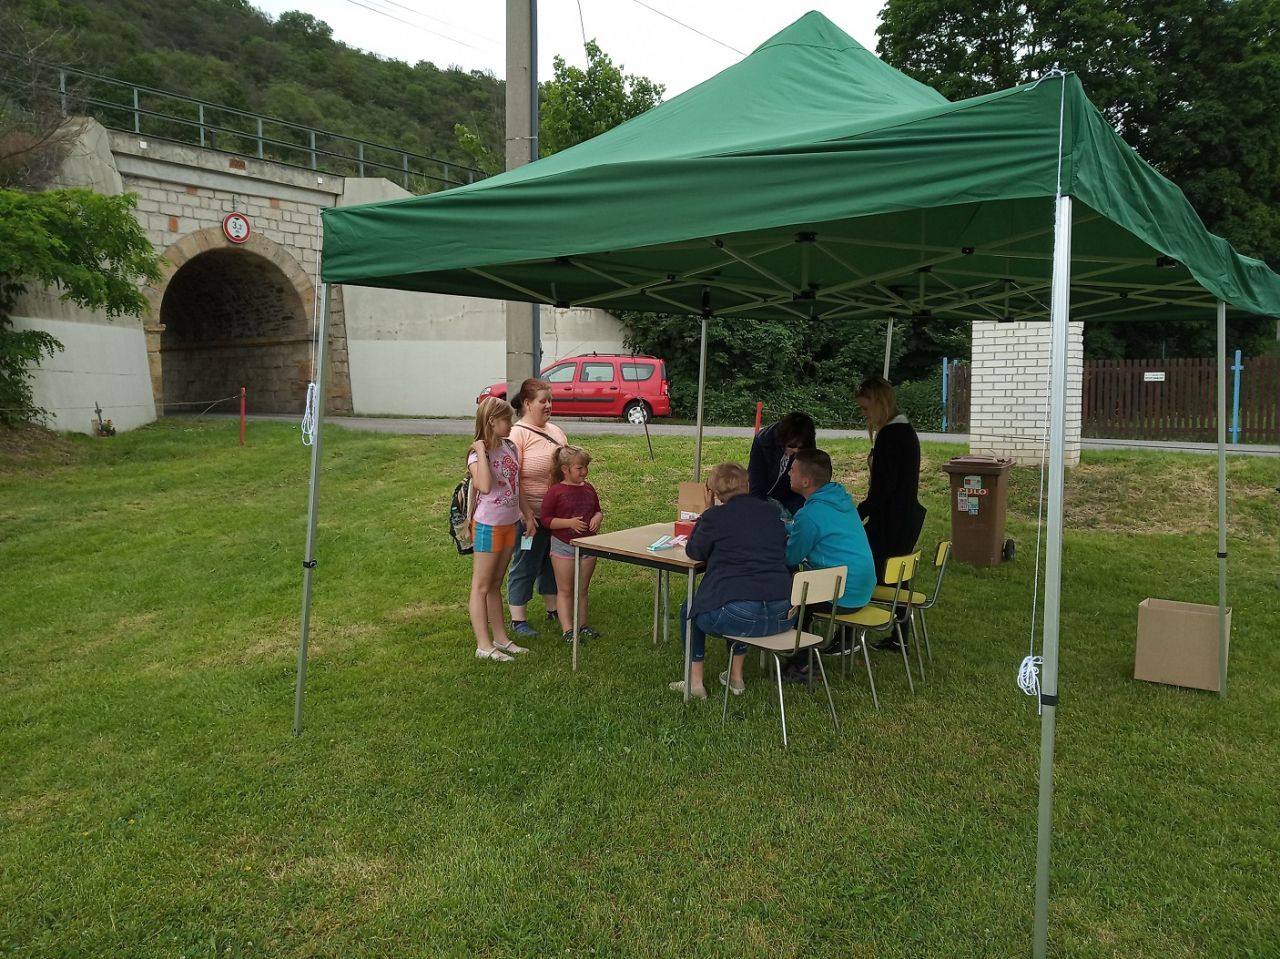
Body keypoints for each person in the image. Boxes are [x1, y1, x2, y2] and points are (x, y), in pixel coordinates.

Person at [671, 463, 794, 699]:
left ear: (714, 492)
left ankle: (695, 682)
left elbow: (695, 552)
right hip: (783, 614)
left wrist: (707, 513)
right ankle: (736, 677)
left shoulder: (715, 517)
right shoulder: (771, 513)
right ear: (747, 485)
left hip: (739, 615)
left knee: (692, 608)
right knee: (743, 599)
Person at [781, 448, 877, 679]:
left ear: (805, 481)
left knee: (789, 594)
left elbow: (790, 557)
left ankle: (802, 663)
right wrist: (788, 527)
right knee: (801, 590)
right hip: (863, 589)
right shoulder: (840, 500)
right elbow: (818, 528)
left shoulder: (810, 515)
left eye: (792, 470)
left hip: (842, 595)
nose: (788, 474)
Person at [855, 376, 926, 649]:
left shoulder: (892, 435)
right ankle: (899, 638)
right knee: (898, 578)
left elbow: (884, 487)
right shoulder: (903, 430)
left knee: (862, 569)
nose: (864, 414)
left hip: (890, 519)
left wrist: (860, 512)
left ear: (880, 403)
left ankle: (849, 634)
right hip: (902, 517)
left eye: (866, 408)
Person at [466, 397, 536, 662]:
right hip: (488, 525)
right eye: (507, 419)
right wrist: (481, 449)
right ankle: (483, 645)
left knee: (496, 583)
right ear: (492, 421)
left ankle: (501, 638)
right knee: (481, 586)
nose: (511, 423)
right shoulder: (477, 455)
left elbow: (516, 485)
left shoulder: (509, 447)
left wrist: (527, 514)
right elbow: (484, 486)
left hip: (509, 523)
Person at [506, 378, 569, 638]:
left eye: (550, 401)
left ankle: (553, 609)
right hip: (529, 516)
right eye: (543, 401)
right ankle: (518, 618)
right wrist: (526, 514)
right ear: (527, 403)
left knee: (552, 562)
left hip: (555, 516)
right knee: (526, 562)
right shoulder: (517, 434)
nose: (549, 406)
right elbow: (513, 477)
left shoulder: (556, 431)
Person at [541, 445, 604, 644]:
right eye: (579, 467)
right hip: (563, 545)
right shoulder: (555, 491)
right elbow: (546, 520)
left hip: (588, 544)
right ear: (565, 469)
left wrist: (598, 517)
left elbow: (597, 509)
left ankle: (583, 625)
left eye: (586, 467)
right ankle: (568, 629)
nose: (584, 471)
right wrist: (569, 523)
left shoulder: (589, 488)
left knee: (582, 589)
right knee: (566, 590)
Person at [747, 411, 816, 519]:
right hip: (765, 494)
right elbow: (756, 483)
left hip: (794, 495)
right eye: (792, 445)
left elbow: (810, 480)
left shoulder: (807, 442)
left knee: (810, 516)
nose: (796, 450)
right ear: (782, 439)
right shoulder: (763, 441)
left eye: (801, 447)